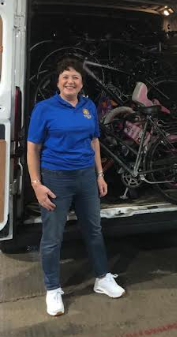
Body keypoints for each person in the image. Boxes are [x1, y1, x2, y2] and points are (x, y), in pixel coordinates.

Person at [27, 57, 125, 317]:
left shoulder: (88, 106)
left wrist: (100, 174)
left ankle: (102, 278)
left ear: (81, 83)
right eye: (65, 77)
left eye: (76, 78)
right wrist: (36, 184)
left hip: (85, 177)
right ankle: (52, 289)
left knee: (93, 229)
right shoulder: (44, 109)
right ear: (58, 81)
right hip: (55, 177)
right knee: (52, 237)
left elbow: (93, 140)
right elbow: (33, 148)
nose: (70, 81)